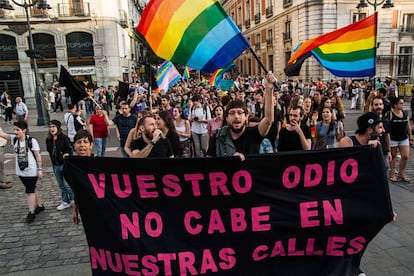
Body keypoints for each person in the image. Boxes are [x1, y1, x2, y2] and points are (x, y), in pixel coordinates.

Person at [207, 71, 276, 160]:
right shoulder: (218, 137)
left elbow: (268, 120)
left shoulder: (254, 134)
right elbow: (209, 164)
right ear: (226, 118)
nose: (236, 116)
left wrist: (269, 89)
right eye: (232, 113)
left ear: (246, 116)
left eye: (240, 113)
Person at [0, 121, 44, 223]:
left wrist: (40, 169)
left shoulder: (32, 141)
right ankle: (40, 205)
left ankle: (31, 212)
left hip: (31, 170)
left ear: (23, 130)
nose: (15, 132)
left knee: (29, 191)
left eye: (17, 130)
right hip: (20, 171)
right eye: (14, 130)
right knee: (32, 188)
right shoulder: (14, 139)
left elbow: (38, 156)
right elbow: (2, 134)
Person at [45, 120, 74, 210]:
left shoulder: (64, 138)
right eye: (50, 127)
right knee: (61, 185)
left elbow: (69, 149)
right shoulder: (48, 140)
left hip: (64, 164)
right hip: (55, 165)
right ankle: (65, 201)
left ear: (58, 127)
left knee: (67, 185)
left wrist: (66, 154)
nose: (51, 129)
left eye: (53, 126)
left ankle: (74, 199)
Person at [387, 96, 412, 183]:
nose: (403, 105)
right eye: (401, 103)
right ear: (395, 105)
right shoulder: (390, 114)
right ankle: (393, 173)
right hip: (393, 138)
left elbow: (408, 125)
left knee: (405, 156)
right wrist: (388, 141)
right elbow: (387, 129)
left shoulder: (405, 113)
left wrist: (410, 137)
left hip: (403, 137)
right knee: (393, 156)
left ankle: (401, 173)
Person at [71, 129, 94, 224]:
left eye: (85, 142)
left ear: (91, 145)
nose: (82, 145)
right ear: (74, 145)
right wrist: (75, 209)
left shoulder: (99, 166)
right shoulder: (73, 167)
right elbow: (77, 190)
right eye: (78, 142)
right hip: (85, 208)